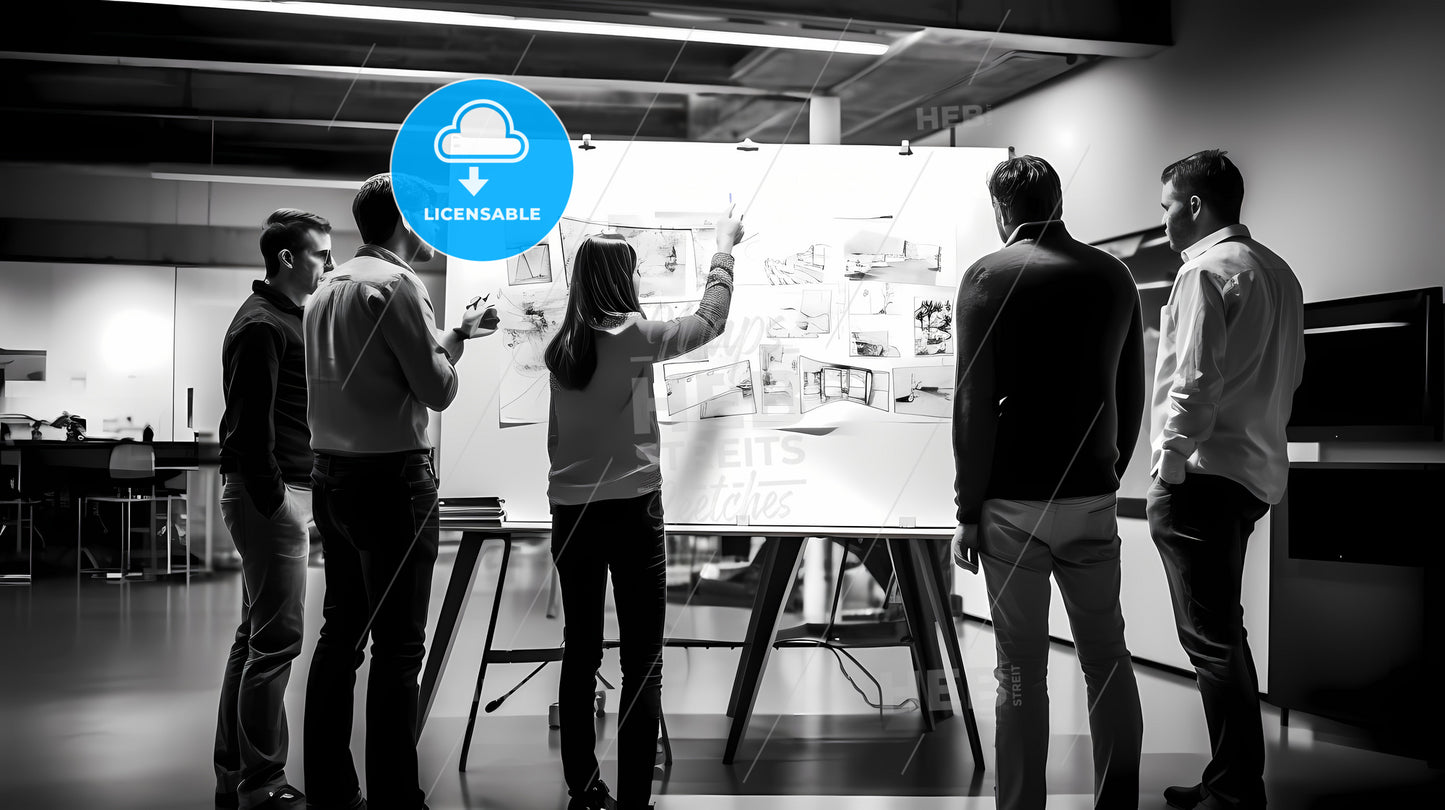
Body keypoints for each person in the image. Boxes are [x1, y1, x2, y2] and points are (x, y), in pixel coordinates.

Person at [951, 155, 1146, 810]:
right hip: (1091, 495)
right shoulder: (1111, 275)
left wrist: (965, 509)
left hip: (1010, 506)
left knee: (1018, 670)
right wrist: (1106, 471)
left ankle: (1020, 806)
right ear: (1059, 201)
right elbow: (1130, 389)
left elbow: (973, 402)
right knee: (1107, 657)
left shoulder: (987, 276)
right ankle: (1116, 800)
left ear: (1000, 212)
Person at [301, 174, 497, 810]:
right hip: (393, 483)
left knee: (340, 635)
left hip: (332, 477)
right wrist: (456, 345)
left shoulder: (326, 288)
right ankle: (394, 798)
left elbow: (389, 368)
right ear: (407, 221)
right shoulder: (398, 286)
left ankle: (331, 789)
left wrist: (455, 333)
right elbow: (435, 388)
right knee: (399, 648)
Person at [545, 208, 744, 810]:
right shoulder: (634, 338)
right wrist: (723, 250)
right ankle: (634, 800)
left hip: (571, 513)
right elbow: (710, 320)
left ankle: (584, 791)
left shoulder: (562, 348)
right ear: (623, 280)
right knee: (642, 662)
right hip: (632, 511)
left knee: (579, 656)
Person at [1148, 150, 1304, 810]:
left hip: (1201, 477)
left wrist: (1167, 465)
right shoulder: (1277, 271)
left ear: (1192, 205)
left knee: (1210, 641)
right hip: (1253, 477)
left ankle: (1236, 788)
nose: (1160, 222)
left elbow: (1191, 382)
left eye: (1164, 207)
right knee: (1223, 634)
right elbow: (1290, 374)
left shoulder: (1201, 273)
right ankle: (1230, 778)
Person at [214, 208, 333, 810]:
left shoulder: (288, 318)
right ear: (287, 258)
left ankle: (234, 772)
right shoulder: (262, 324)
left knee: (253, 637)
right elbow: (247, 430)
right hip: (273, 497)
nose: (328, 265)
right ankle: (264, 783)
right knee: (278, 643)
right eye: (320, 254)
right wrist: (279, 505)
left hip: (280, 495)